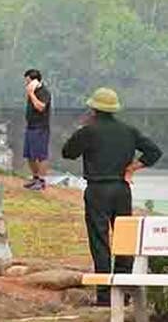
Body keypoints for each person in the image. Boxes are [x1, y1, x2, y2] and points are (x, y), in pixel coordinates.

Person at [62, 87, 162, 308]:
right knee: (124, 241)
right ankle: (124, 293)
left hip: (97, 190)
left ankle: (105, 296)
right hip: (121, 190)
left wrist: (81, 129)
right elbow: (154, 152)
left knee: (100, 241)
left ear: (93, 109)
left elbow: (67, 152)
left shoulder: (88, 131)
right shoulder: (128, 131)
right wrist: (132, 168)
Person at [23, 69, 52, 191]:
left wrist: (31, 94)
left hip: (40, 128)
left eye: (28, 81)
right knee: (30, 155)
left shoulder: (43, 92)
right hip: (31, 126)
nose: (26, 83)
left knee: (41, 155)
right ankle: (35, 177)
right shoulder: (32, 92)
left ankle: (41, 180)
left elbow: (40, 107)